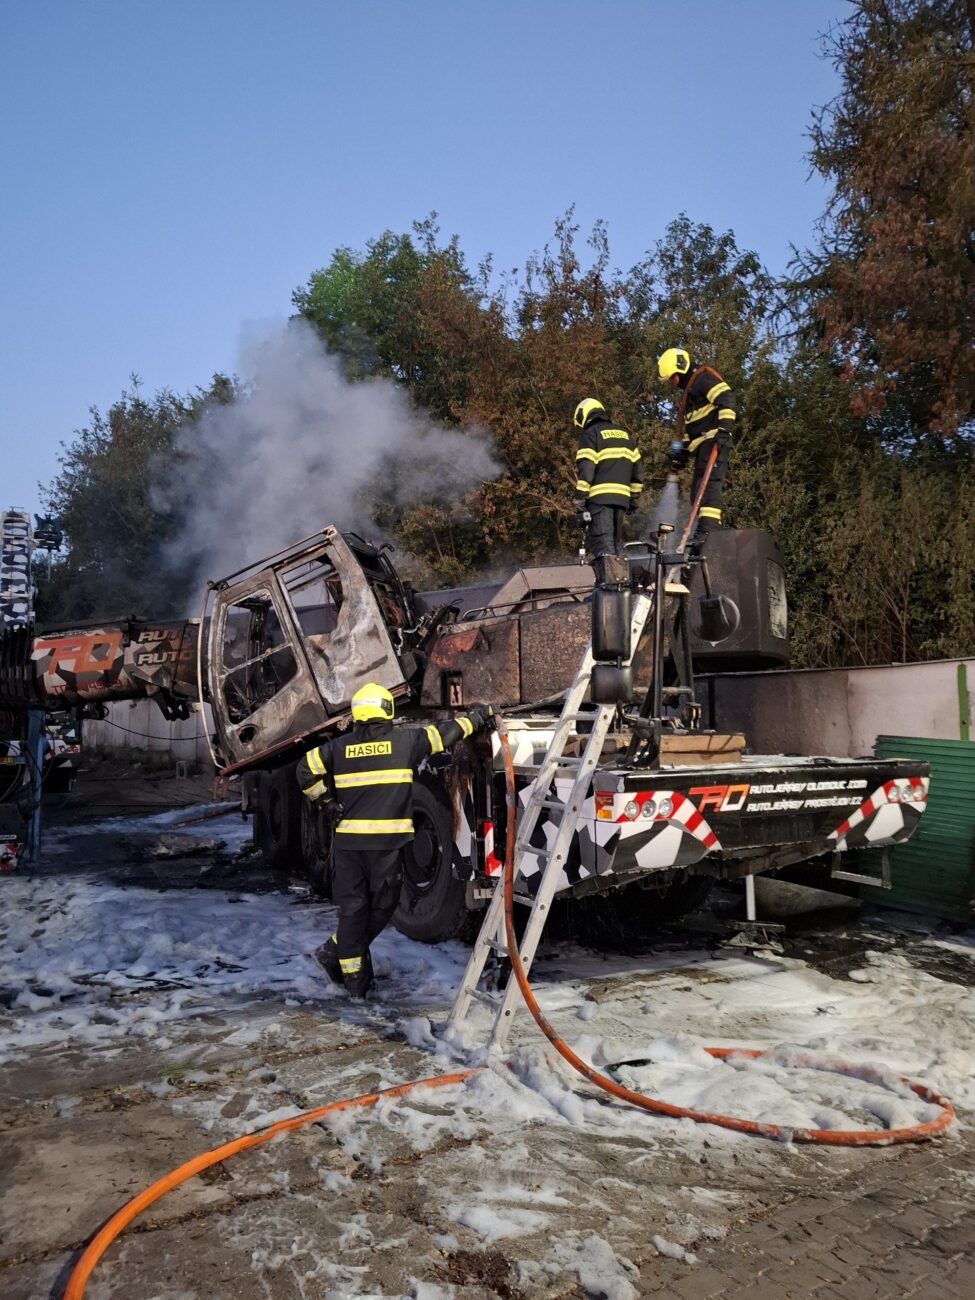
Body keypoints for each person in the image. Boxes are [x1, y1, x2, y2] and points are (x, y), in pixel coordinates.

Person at [296, 684, 494, 999]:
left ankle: (345, 967)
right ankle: (353, 981)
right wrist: (479, 717)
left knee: (353, 910)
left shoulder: (338, 748)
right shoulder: (405, 742)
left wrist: (325, 802)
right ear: (387, 710)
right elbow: (447, 733)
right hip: (385, 847)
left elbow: (304, 769)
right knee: (382, 906)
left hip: (348, 847)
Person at [657, 348, 737, 552]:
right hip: (702, 446)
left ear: (681, 369)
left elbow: (727, 398)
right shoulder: (688, 396)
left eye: (673, 377)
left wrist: (724, 430)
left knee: (709, 488)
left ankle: (708, 532)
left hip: (714, 442)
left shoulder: (703, 378)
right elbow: (687, 432)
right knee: (697, 492)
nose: (672, 382)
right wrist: (679, 453)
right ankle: (702, 533)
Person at [572, 398, 643, 578]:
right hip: (621, 502)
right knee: (613, 546)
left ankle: (609, 589)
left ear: (584, 415)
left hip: (599, 500)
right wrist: (634, 499)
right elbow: (638, 471)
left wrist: (580, 499)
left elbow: (586, 470)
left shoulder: (591, 434)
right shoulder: (625, 435)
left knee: (604, 548)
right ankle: (617, 585)